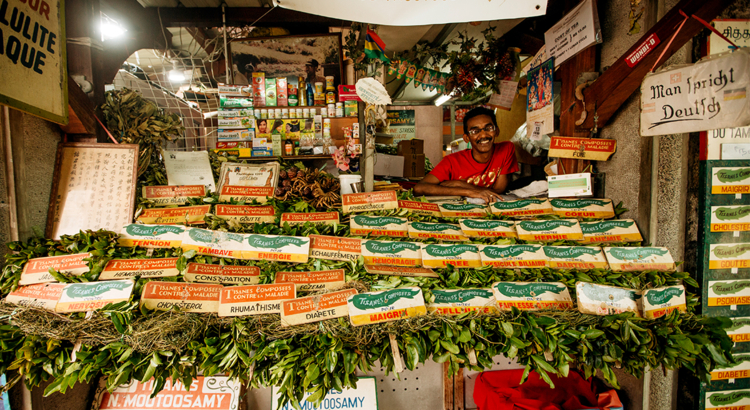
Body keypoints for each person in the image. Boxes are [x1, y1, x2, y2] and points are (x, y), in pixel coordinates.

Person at [414, 107, 518, 203]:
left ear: (497, 131)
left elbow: (498, 190)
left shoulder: (506, 149)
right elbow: (419, 188)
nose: (483, 135)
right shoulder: (452, 161)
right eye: (475, 131)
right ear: (466, 138)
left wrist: (460, 184)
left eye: (488, 128)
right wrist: (469, 192)